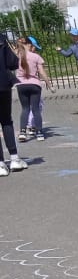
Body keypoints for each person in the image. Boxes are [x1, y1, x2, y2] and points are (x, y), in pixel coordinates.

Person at [16, 36, 52, 141]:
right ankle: (39, 133)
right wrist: (48, 84)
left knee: (25, 109)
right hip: (35, 85)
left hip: (21, 85)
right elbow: (41, 72)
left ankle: (22, 132)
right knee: (36, 109)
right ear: (30, 45)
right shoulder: (36, 56)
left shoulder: (17, 55)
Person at [0, 36, 26, 176]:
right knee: (6, 121)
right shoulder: (2, 40)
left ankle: (0, 164)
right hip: (3, 84)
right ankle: (14, 158)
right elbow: (12, 63)